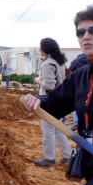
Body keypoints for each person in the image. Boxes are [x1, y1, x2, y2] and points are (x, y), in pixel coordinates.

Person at [23, 1, 93, 185]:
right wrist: (36, 102)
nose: (86, 37)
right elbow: (54, 103)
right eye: (80, 32)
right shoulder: (83, 75)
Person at [32, 38, 72, 167]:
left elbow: (49, 85)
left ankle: (49, 157)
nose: (39, 49)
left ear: (45, 49)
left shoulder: (48, 63)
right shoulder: (59, 62)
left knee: (48, 129)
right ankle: (68, 155)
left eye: (40, 47)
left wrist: (38, 80)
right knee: (57, 128)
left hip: (49, 100)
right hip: (59, 99)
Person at [67, 54, 90, 130]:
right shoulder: (91, 61)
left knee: (76, 104)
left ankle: (77, 123)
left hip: (78, 86)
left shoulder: (75, 62)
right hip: (90, 86)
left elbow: (69, 72)